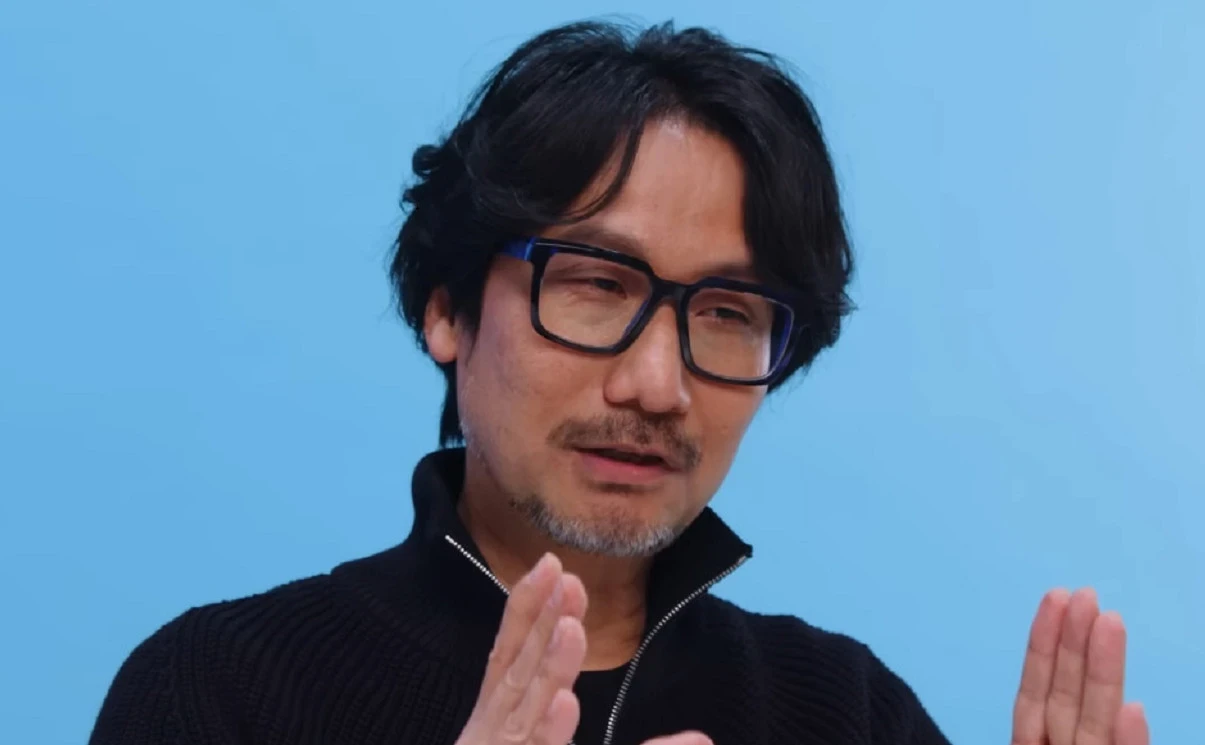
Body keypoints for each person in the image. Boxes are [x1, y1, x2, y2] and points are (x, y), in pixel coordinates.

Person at [90, 20, 1151, 745]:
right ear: (446, 308)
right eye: (596, 285)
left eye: (726, 312)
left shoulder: (845, 712)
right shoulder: (219, 690)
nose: (656, 385)